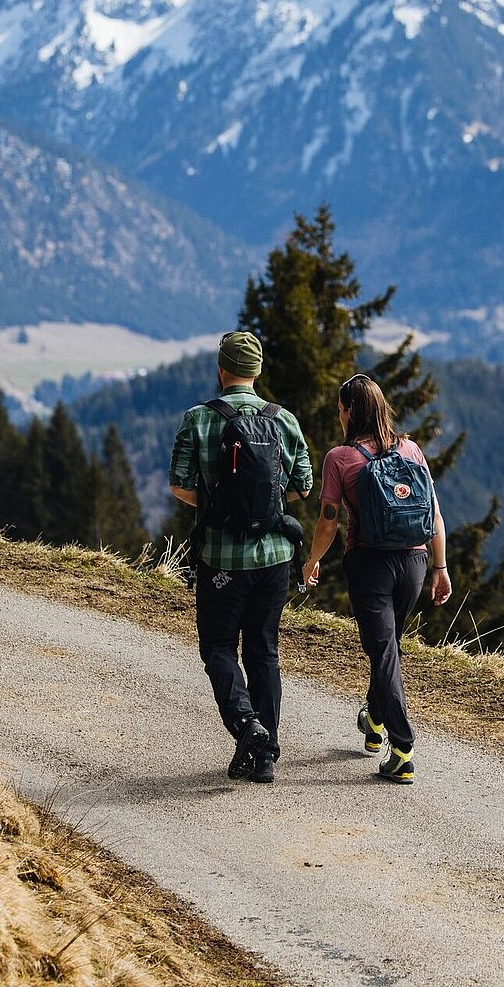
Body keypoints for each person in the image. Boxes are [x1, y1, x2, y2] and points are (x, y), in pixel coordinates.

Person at [169, 330, 312, 784]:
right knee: (263, 651)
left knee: (217, 647)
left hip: (222, 558)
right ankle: (266, 752)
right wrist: (265, 508)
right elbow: (303, 485)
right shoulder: (284, 419)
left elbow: (178, 483)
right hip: (274, 556)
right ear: (257, 372)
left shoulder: (198, 419)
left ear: (221, 370)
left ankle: (246, 725)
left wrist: (219, 508)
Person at [302, 373, 451, 784]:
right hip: (415, 564)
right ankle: (375, 721)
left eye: (340, 409)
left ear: (350, 411)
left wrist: (312, 560)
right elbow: (433, 515)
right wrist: (440, 568)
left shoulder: (340, 458)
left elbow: (329, 521)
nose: (338, 415)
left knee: (383, 650)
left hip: (370, 564)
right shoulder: (411, 449)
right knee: (388, 647)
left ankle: (402, 749)